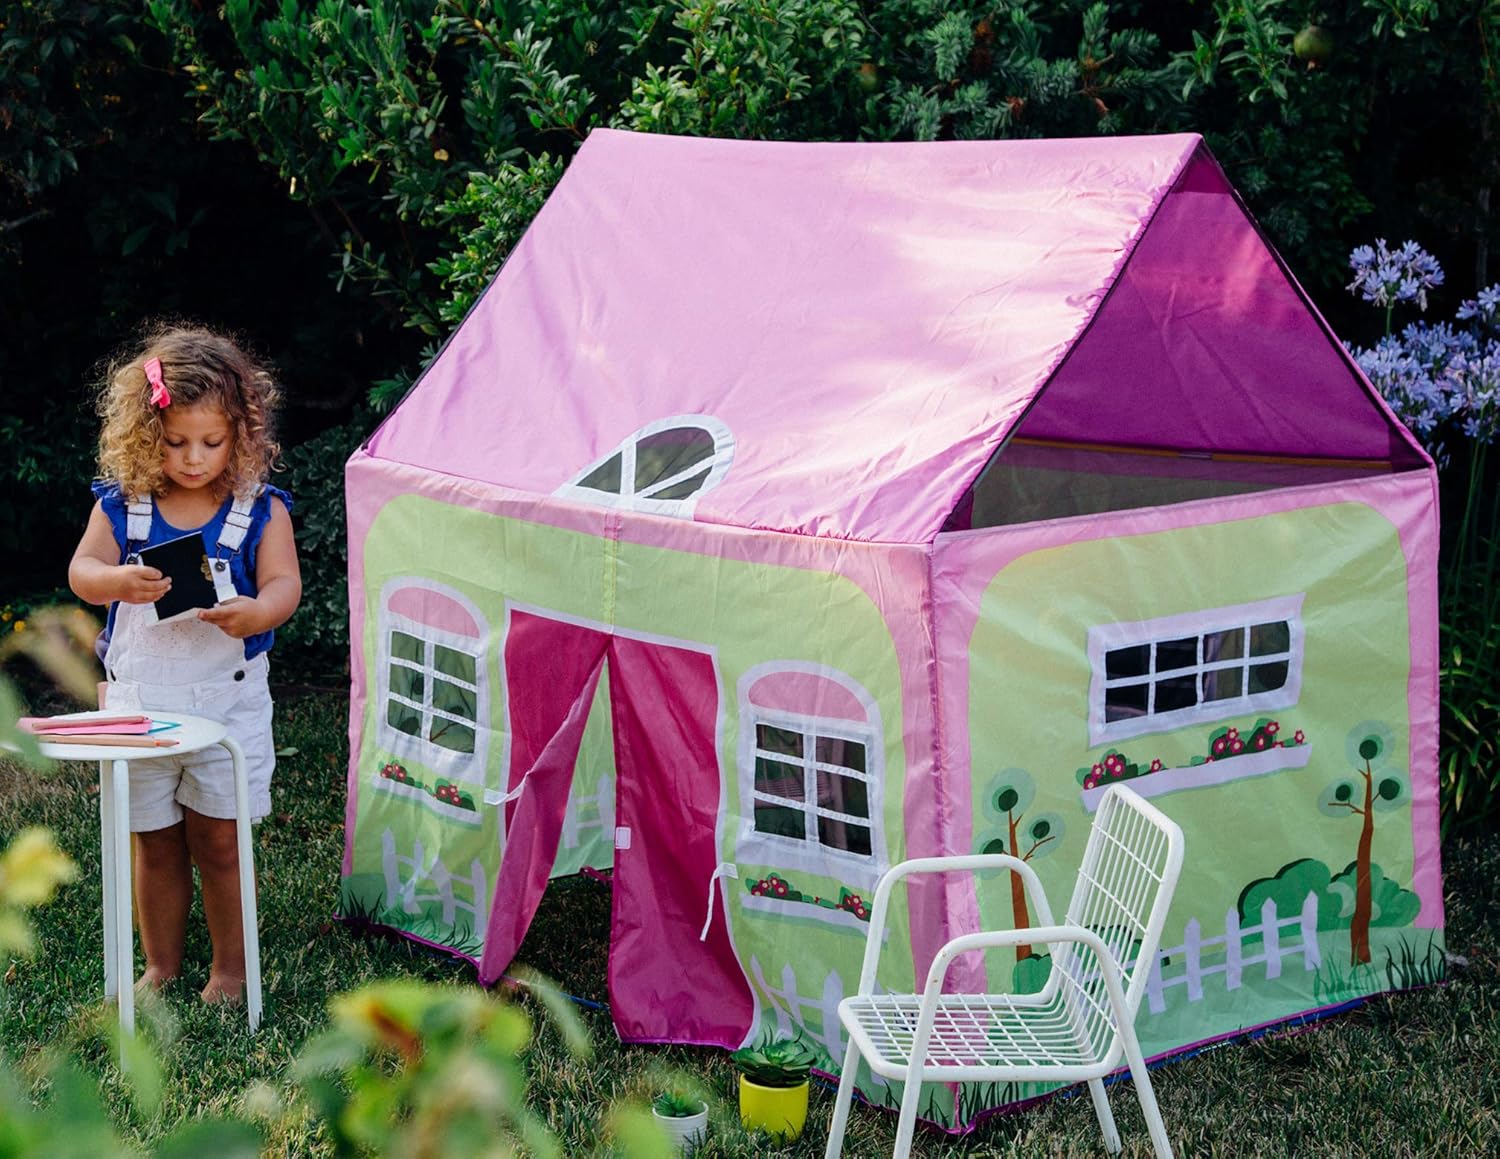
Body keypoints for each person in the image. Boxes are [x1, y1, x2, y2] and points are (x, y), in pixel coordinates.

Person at [68, 324, 301, 1005]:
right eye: (175, 443)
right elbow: (82, 571)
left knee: (220, 841)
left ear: (242, 434)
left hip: (223, 704)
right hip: (143, 702)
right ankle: (161, 964)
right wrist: (115, 582)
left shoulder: (259, 510)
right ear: (147, 435)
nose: (193, 458)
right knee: (155, 840)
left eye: (211, 442)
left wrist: (258, 613)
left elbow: (285, 584)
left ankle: (230, 968)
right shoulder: (125, 507)